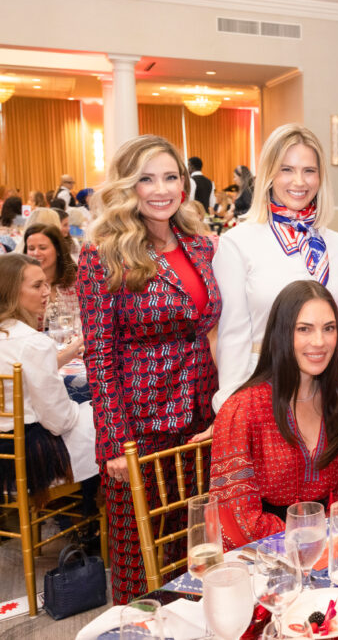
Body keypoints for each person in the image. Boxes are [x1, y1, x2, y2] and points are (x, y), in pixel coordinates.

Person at [77, 134, 221, 603]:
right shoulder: (102, 252)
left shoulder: (201, 246)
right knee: (144, 562)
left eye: (171, 177)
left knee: (201, 555)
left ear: (184, 183)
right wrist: (114, 442)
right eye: (146, 179)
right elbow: (99, 355)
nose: (161, 189)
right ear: (127, 186)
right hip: (140, 431)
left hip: (203, 423)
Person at [210, 280, 338, 549]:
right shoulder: (243, 410)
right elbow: (237, 524)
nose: (319, 342)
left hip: (327, 547)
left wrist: (331, 541)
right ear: (281, 334)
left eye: (328, 328)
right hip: (259, 555)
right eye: (304, 329)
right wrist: (313, 539)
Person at [213, 124, 338, 412]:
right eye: (286, 169)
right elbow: (233, 333)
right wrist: (231, 407)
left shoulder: (335, 244)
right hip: (263, 388)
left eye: (309, 171)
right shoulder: (238, 242)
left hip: (326, 391)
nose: (299, 181)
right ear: (269, 174)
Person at [0, 254, 97, 498]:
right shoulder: (31, 342)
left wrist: (69, 351)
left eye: (45, 284)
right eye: (36, 286)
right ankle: (92, 514)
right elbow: (59, 420)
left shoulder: (15, 338)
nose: (46, 292)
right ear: (11, 291)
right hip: (26, 455)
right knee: (103, 419)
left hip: (5, 449)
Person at [23, 223, 82, 364]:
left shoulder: (76, 283)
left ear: (57, 250)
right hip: (34, 356)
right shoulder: (21, 285)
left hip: (73, 354)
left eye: (42, 248)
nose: (36, 253)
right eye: (31, 248)